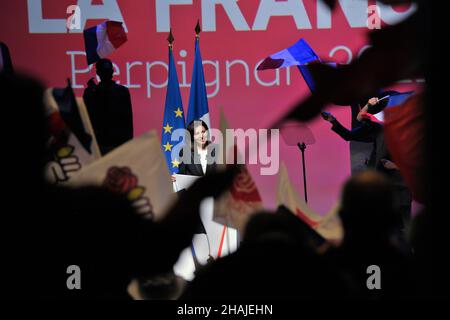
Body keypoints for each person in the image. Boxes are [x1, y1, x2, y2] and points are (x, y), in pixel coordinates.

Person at [321, 94, 412, 227]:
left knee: (403, 225)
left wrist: (395, 166)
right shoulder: (377, 127)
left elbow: (414, 160)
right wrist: (333, 121)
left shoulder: (407, 131)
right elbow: (350, 133)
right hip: (379, 183)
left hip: (399, 186)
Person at [83, 58, 133, 155]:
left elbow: (128, 120)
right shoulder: (122, 91)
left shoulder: (92, 92)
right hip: (104, 144)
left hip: (105, 143)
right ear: (112, 72)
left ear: (98, 73)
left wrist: (92, 91)